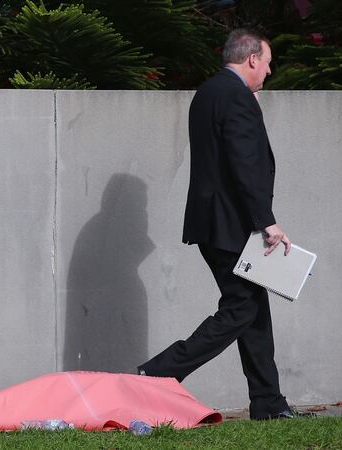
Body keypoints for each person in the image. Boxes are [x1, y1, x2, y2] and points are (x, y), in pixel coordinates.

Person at [137, 29, 305, 420]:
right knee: (240, 309)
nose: (269, 70)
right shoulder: (236, 97)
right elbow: (243, 164)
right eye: (267, 62)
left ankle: (268, 403)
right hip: (231, 225)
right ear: (252, 59)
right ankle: (158, 373)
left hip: (216, 222)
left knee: (254, 311)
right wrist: (267, 222)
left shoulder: (210, 92)